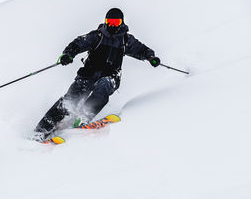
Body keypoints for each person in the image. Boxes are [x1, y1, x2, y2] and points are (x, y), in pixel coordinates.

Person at [33, 8, 160, 140]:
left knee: (104, 85)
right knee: (71, 99)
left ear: (121, 23)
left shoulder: (125, 40)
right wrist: (68, 54)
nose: (112, 25)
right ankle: (41, 130)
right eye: (109, 22)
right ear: (105, 22)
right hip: (89, 73)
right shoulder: (97, 36)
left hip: (111, 75)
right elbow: (79, 43)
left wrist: (151, 57)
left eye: (116, 22)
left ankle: (83, 117)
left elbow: (142, 49)